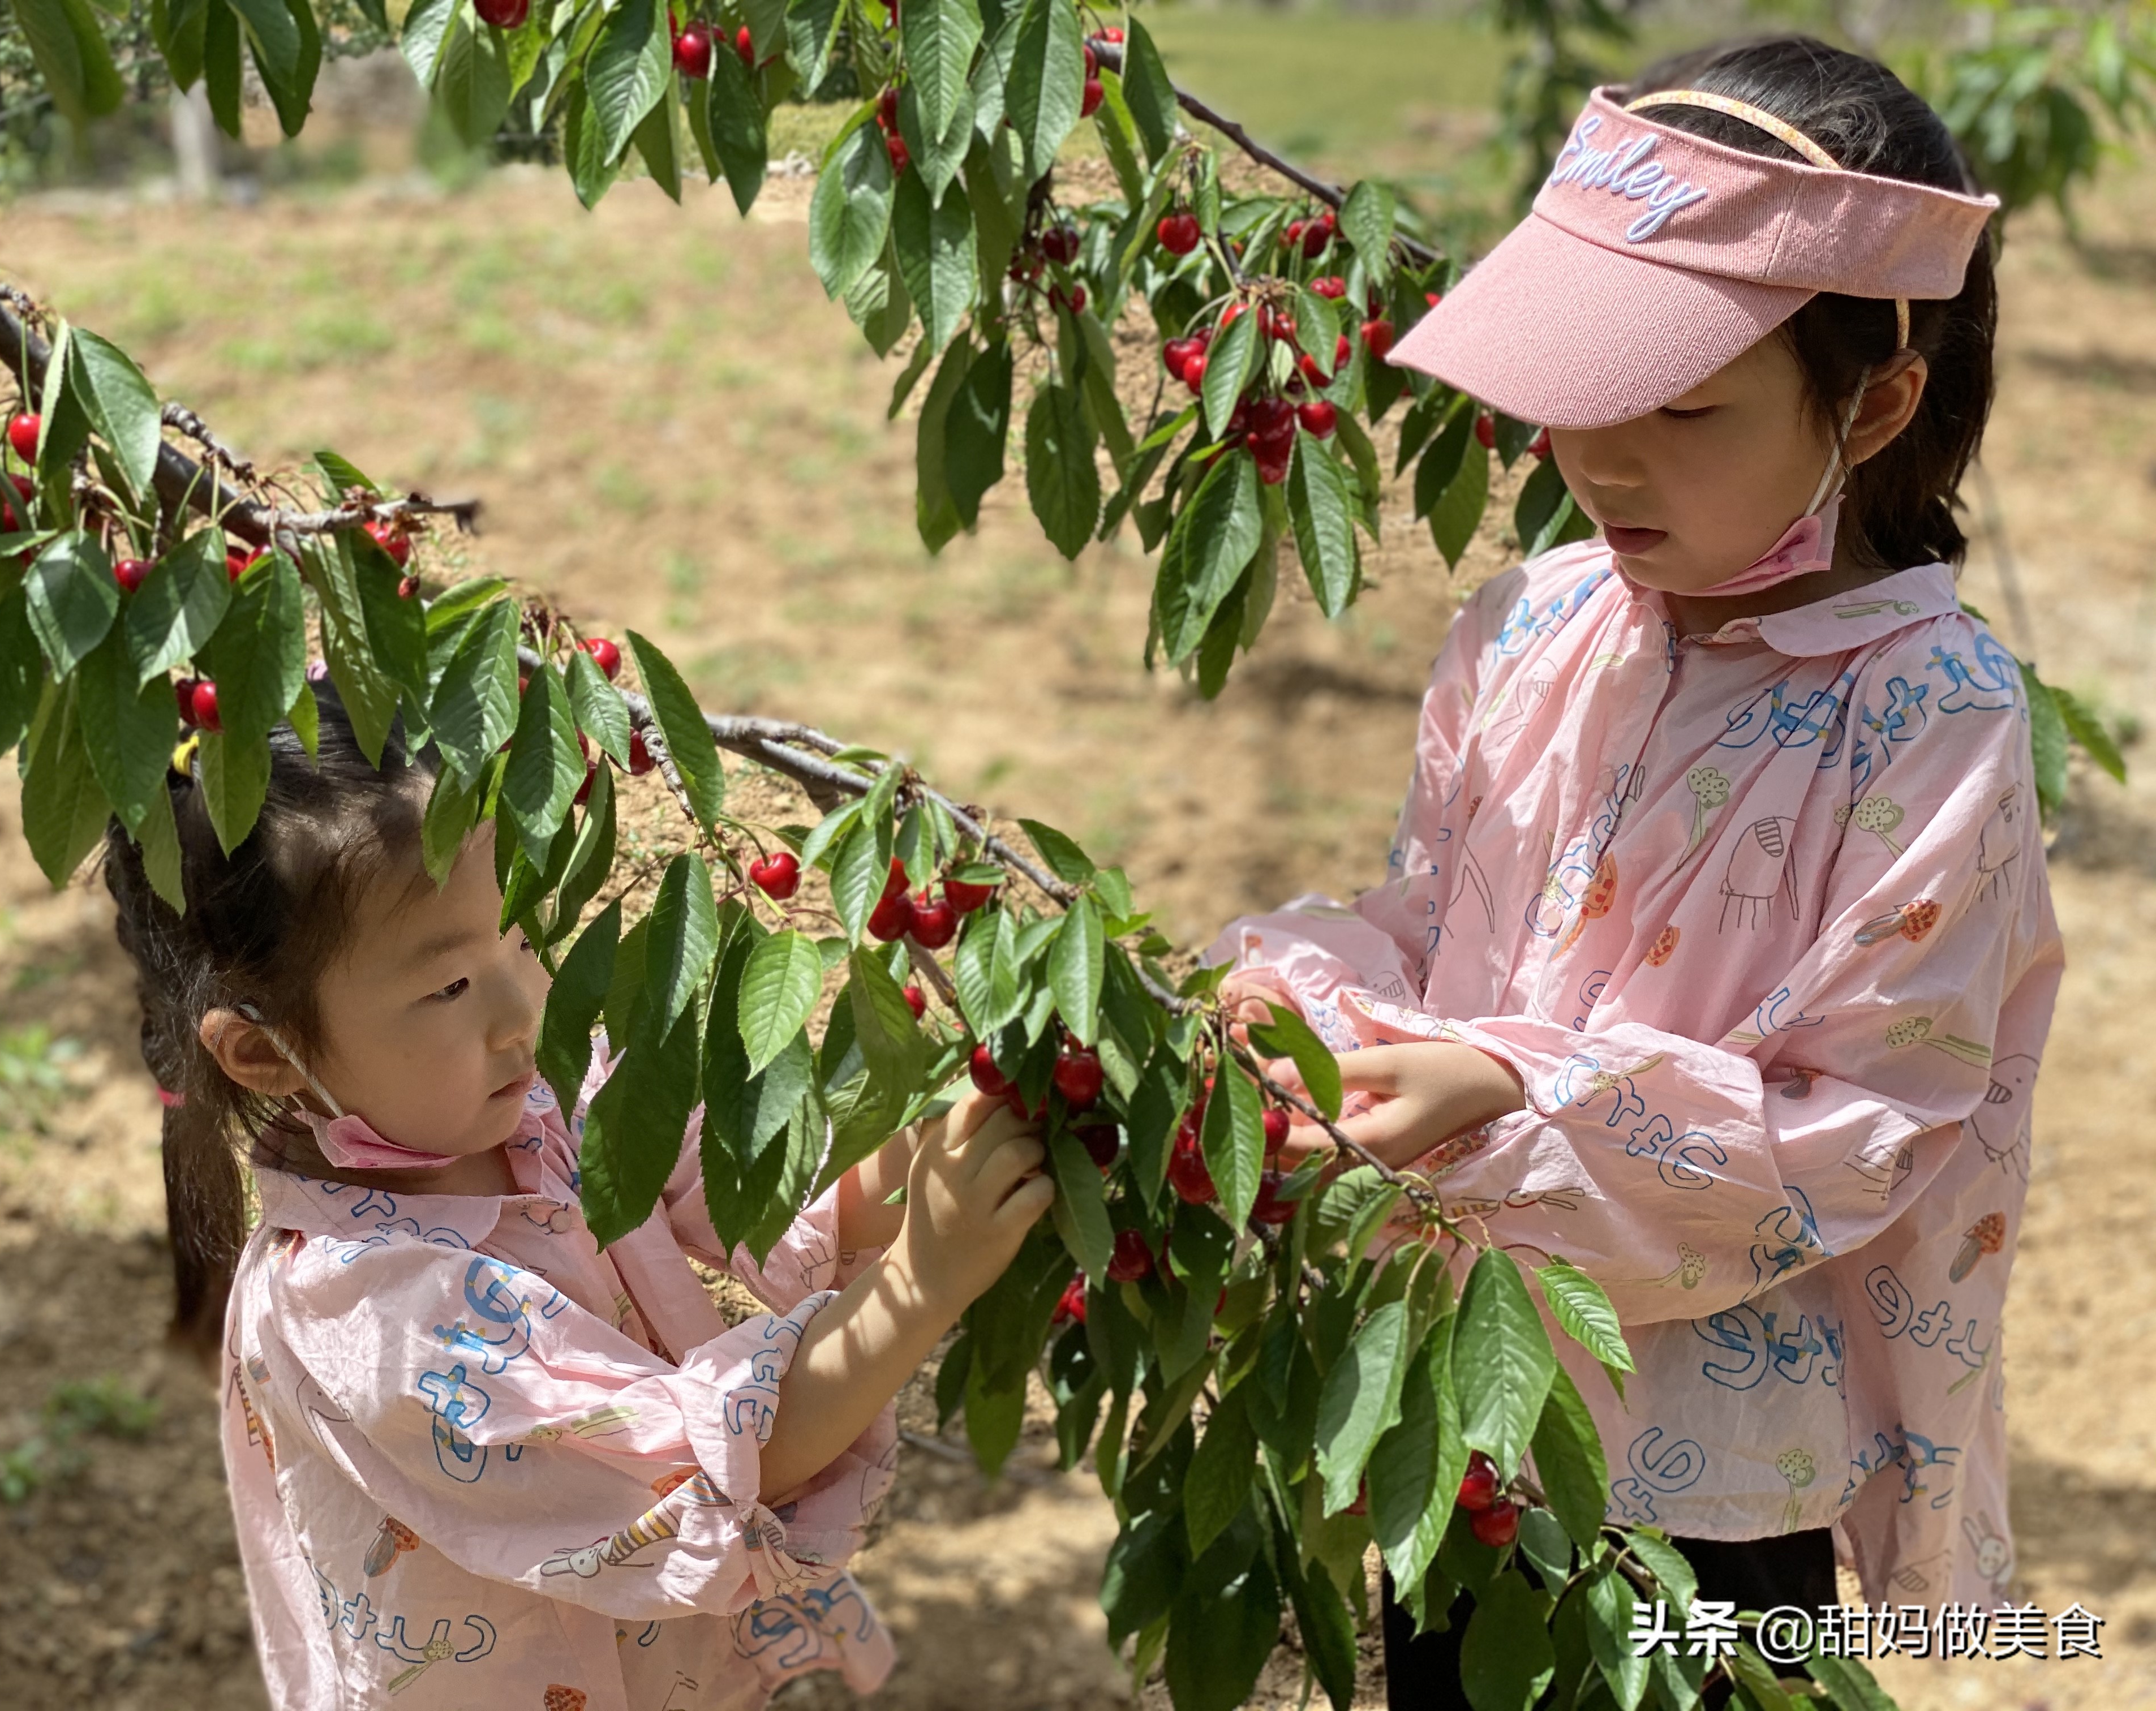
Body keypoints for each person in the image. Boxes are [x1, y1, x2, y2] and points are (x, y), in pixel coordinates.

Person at [1212, 33, 2056, 1694]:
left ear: (1876, 404)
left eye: (1683, 409)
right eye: (1581, 395)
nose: (1602, 459)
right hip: (1462, 1392)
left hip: (1708, 1476)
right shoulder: (1532, 624)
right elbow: (1434, 916)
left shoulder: (1930, 719)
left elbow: (1864, 1123)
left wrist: (1516, 1093)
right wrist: (1317, 1004)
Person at [104, 683, 1055, 1709]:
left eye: (518, 934)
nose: (522, 1009)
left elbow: (769, 1197)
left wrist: (962, 1135)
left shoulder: (546, 1092)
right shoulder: (370, 1317)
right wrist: (920, 1286)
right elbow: (714, 1472)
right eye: (449, 987)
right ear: (265, 1053)